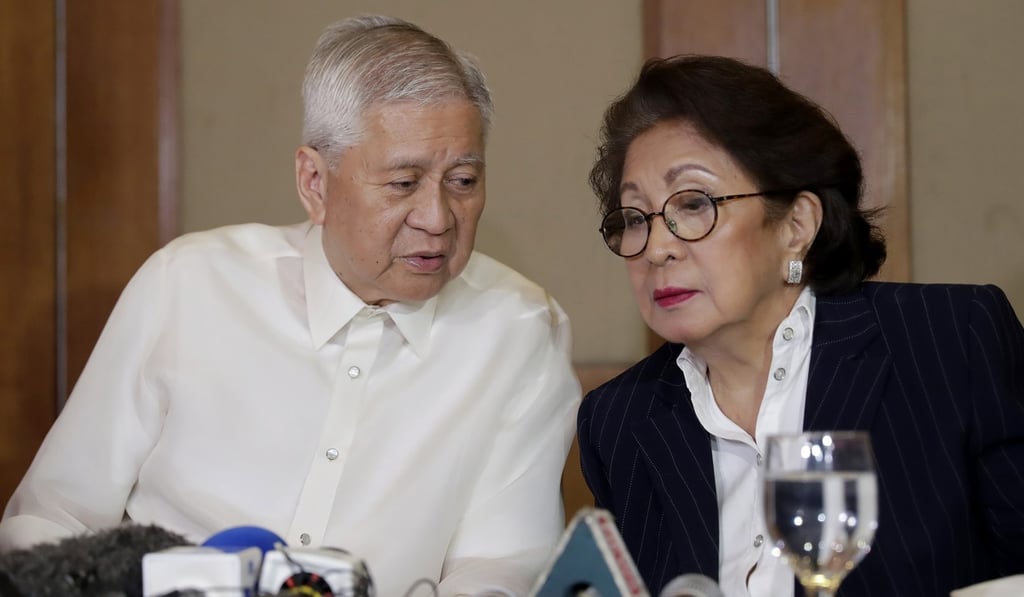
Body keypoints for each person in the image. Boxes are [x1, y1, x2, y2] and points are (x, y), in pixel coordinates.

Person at [0, 15, 581, 597]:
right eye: (403, 183)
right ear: (314, 182)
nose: (437, 217)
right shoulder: (188, 285)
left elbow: (501, 569)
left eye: (462, 180)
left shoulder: (522, 330)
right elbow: (52, 519)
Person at [578, 54, 1024, 596]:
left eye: (693, 204)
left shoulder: (951, 343)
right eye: (635, 218)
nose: (658, 247)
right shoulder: (620, 420)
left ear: (796, 225)